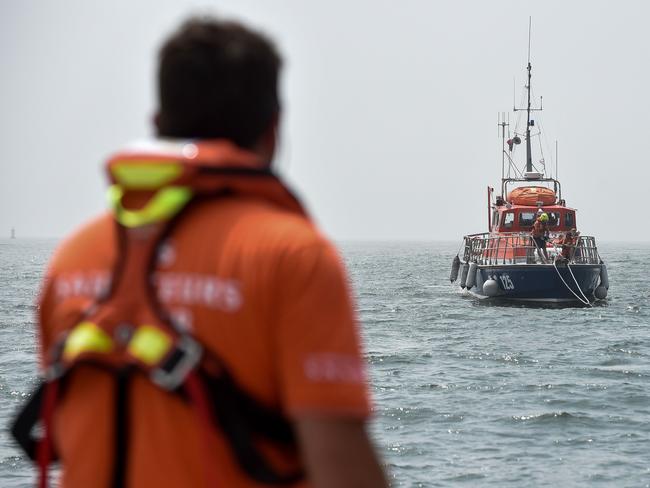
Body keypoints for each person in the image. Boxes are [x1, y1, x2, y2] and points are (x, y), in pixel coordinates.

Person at [13, 17, 387, 488]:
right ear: (273, 128)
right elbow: (343, 470)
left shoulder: (73, 260)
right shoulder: (292, 257)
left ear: (157, 124)